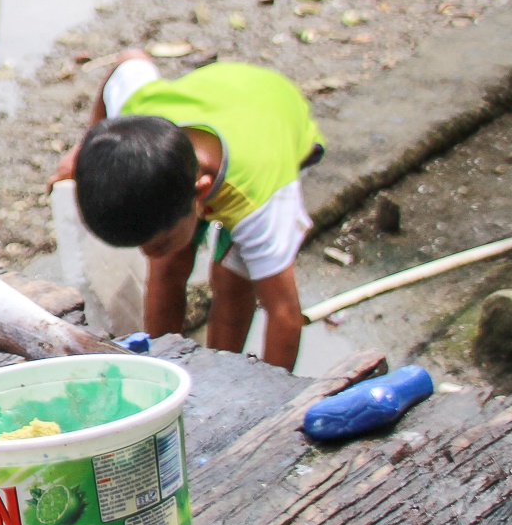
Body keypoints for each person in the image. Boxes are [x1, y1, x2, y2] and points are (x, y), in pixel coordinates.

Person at [50, 53, 325, 370]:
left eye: (152, 244)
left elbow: (285, 315)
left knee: (232, 280)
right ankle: (163, 365)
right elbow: (129, 60)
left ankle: (221, 371)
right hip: (218, 94)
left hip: (276, 114)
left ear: (203, 194)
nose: (145, 255)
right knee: (168, 262)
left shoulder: (259, 200)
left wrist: (275, 399)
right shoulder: (134, 122)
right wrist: (85, 147)